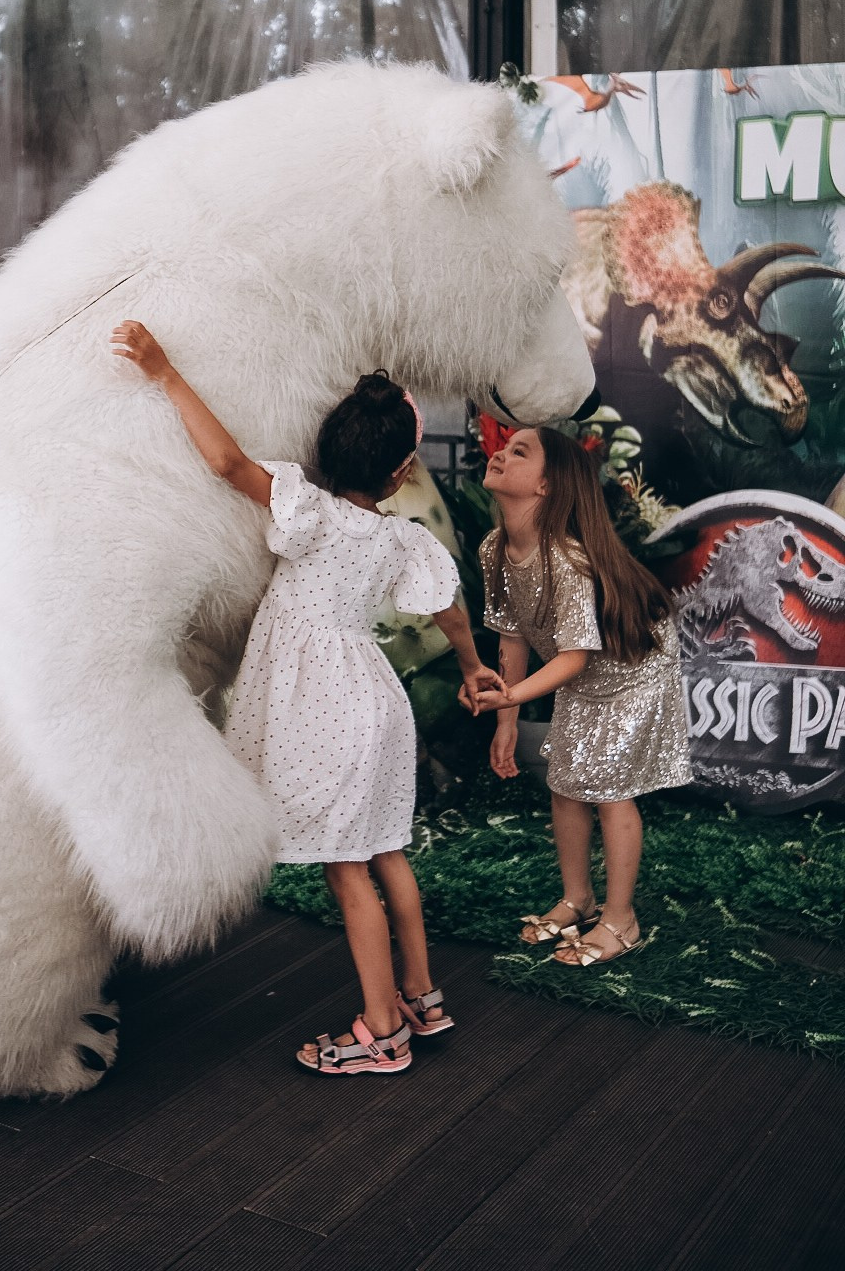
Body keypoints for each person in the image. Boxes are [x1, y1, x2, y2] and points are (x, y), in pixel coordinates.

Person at [111, 320, 499, 1075]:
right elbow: (448, 605)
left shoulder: (309, 511)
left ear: (328, 450)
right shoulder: (400, 541)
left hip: (326, 708)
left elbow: (224, 460)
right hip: (375, 701)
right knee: (387, 854)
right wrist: (474, 664)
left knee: (348, 869)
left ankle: (381, 1029)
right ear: (400, 474)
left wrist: (164, 372)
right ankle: (421, 995)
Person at [461, 426, 692, 967]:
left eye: (519, 451)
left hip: (634, 670)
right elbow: (512, 634)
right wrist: (508, 722)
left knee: (609, 787)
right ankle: (577, 898)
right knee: (566, 782)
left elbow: (572, 658)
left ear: (546, 486)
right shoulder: (495, 547)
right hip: (582, 677)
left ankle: (621, 918)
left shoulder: (567, 561)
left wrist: (510, 695)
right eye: (505, 445)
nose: (500, 451)